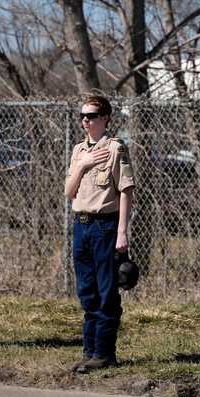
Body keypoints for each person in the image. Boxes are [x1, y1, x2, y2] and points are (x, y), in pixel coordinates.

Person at [64, 95, 135, 373]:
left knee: (106, 292)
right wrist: (82, 164)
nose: (85, 120)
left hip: (105, 225)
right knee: (86, 291)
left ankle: (104, 353)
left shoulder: (115, 148)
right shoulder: (78, 150)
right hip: (80, 225)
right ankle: (89, 351)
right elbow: (69, 192)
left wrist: (121, 232)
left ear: (105, 118)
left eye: (91, 115)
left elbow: (126, 191)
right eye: (82, 115)